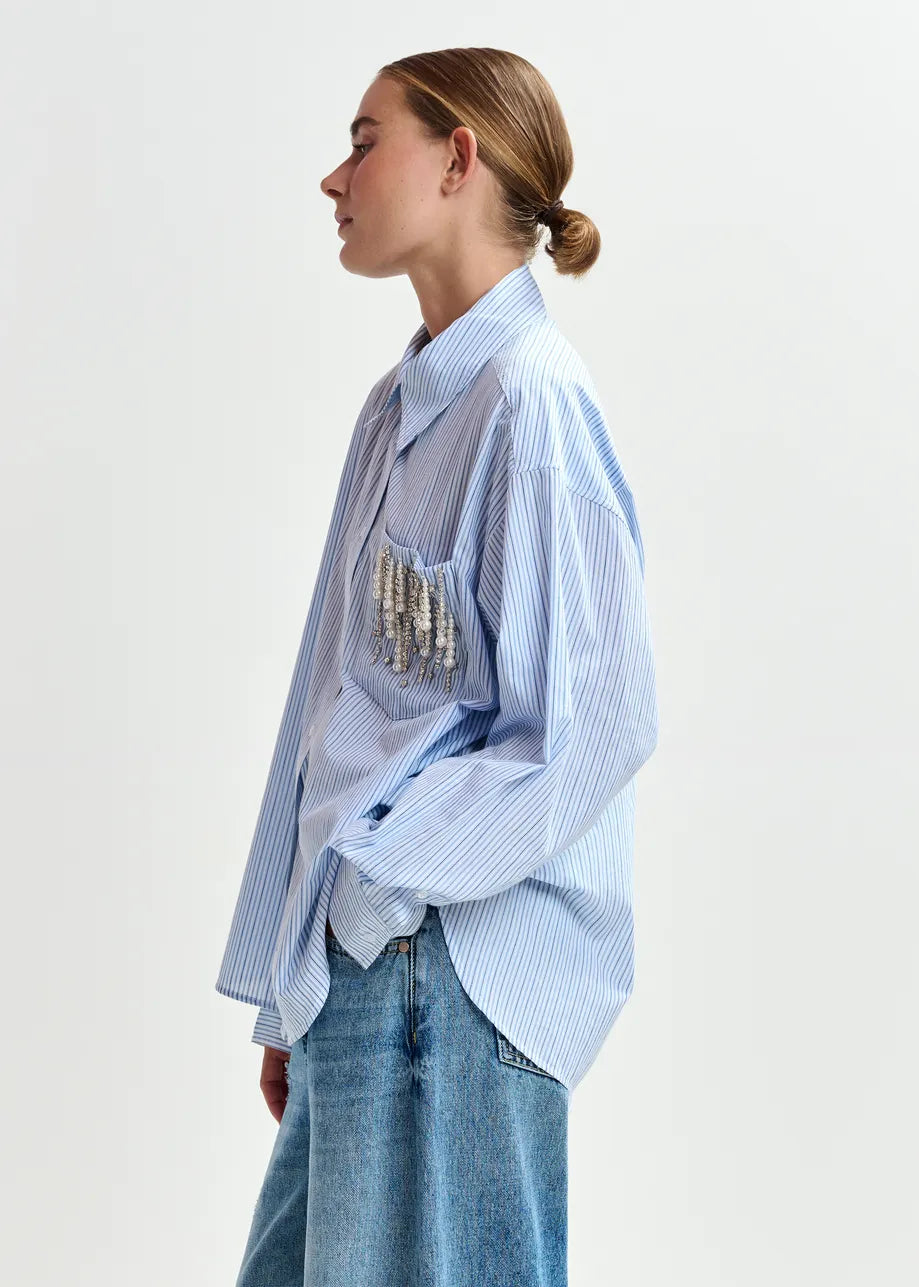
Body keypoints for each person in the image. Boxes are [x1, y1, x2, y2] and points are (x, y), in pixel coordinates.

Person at [217, 46, 659, 1287]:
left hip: (445, 969)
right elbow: (335, 701)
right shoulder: (401, 409)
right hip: (376, 972)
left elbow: (592, 725)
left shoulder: (531, 402)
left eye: (366, 140)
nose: (333, 175)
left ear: (457, 156)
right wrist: (299, 966)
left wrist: (372, 885)